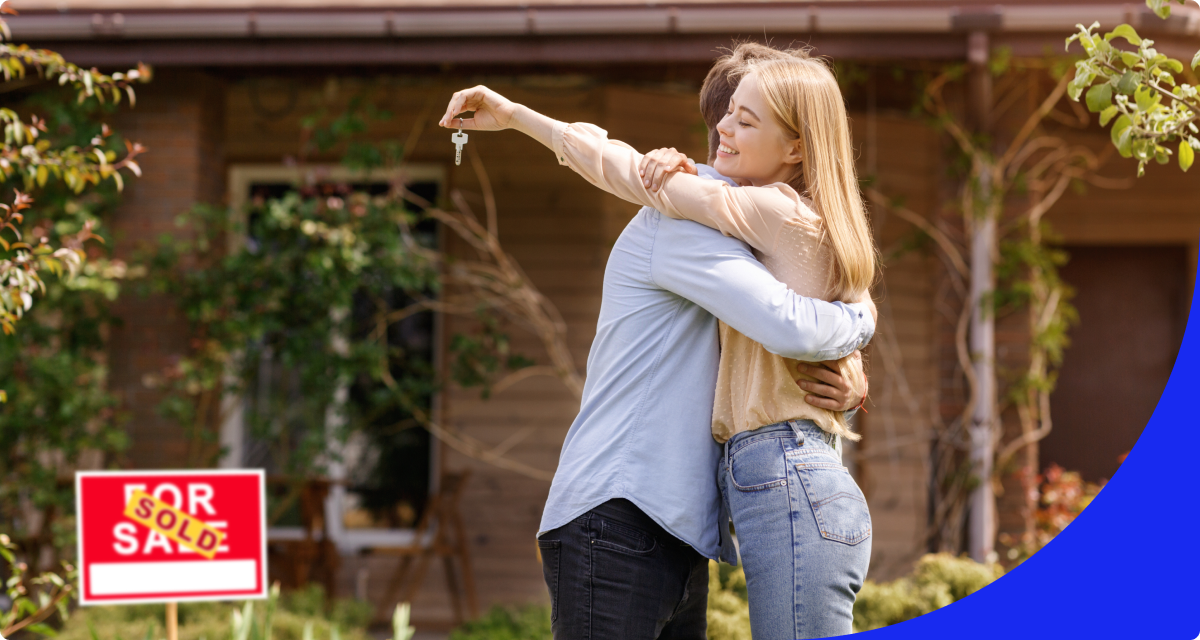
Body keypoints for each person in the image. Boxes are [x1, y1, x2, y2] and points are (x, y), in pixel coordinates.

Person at [438, 44, 876, 639]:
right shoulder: (687, 224)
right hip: (621, 512)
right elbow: (793, 325)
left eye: (747, 121)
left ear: (795, 144)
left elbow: (809, 305)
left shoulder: (764, 233)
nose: (726, 134)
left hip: (674, 527)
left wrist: (853, 367)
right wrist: (858, 321)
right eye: (729, 117)